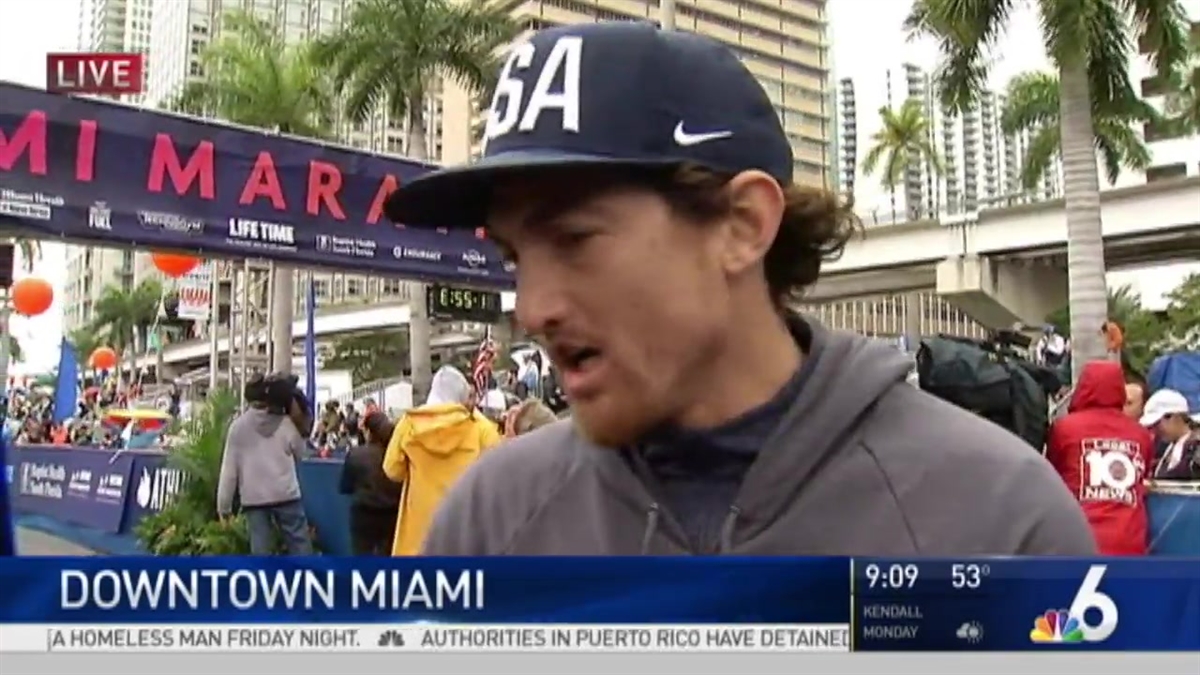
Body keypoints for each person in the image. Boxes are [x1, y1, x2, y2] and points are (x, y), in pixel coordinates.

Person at [385, 22, 1095, 556]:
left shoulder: (997, 518)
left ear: (743, 224)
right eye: (515, 254)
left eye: (575, 239)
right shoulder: (489, 520)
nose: (533, 307)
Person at [382, 366, 501, 555]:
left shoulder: (408, 423)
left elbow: (392, 470)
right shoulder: (479, 429)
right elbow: (497, 475)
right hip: (463, 535)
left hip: (418, 539)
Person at [1044, 361, 1154, 555]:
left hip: (1078, 537)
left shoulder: (1064, 429)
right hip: (1128, 539)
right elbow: (1143, 476)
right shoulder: (1140, 435)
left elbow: (1054, 474)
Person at [216, 373, 312, 555]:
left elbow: (229, 472)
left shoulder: (238, 428)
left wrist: (224, 507)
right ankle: (306, 581)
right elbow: (301, 452)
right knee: (300, 546)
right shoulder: (286, 424)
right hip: (286, 495)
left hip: (255, 499)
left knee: (261, 552)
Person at [339, 412, 403, 555]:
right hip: (392, 516)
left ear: (368, 431)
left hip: (363, 515)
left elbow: (345, 487)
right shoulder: (398, 456)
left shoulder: (356, 455)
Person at [1142, 389, 1200, 480]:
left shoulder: (1196, 447)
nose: (1156, 430)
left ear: (1174, 416)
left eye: (1158, 423)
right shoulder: (1162, 447)